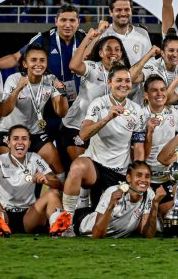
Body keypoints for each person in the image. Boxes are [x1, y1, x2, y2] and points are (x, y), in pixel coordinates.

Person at [0, 4, 86, 168]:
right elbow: (16, 58)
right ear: (56, 21)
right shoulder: (45, 38)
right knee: (39, 154)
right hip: (47, 104)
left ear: (78, 22)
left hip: (78, 106)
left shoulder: (86, 39)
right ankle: (34, 190)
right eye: (63, 20)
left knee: (70, 154)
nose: (67, 25)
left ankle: (68, 190)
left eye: (72, 20)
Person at [60, 65, 147, 234]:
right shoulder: (99, 104)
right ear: (109, 83)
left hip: (120, 172)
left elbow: (138, 147)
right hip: (96, 165)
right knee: (77, 166)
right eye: (119, 80)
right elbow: (83, 135)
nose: (124, 84)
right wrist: (107, 118)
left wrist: (137, 174)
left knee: (113, 222)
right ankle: (66, 221)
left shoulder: (137, 111)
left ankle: (83, 219)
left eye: (127, 81)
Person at [0, 45, 70, 185]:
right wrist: (17, 89)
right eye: (33, 60)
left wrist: (63, 94)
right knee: (7, 167)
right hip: (7, 131)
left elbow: (61, 112)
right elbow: (5, 111)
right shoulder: (14, 79)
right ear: (25, 63)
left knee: (58, 167)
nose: (38, 64)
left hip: (34, 132)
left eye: (42, 60)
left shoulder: (50, 79)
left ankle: (63, 203)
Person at [0, 124, 73, 236]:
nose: (20, 142)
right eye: (15, 138)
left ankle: (58, 226)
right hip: (4, 211)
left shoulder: (35, 158)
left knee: (53, 193)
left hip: (28, 216)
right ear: (8, 143)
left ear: (29, 143)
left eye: (24, 139)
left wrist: (47, 180)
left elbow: (58, 184)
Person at [64, 25, 131, 162]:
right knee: (80, 168)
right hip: (77, 126)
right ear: (100, 53)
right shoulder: (93, 67)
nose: (113, 52)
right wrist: (89, 37)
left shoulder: (123, 75)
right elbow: (74, 66)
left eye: (117, 49)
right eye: (108, 49)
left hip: (101, 131)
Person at [73, 161, 164, 238]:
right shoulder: (112, 191)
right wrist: (110, 206)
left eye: (147, 176)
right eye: (138, 175)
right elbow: (97, 234)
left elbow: (148, 235)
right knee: (61, 221)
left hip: (116, 234)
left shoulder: (149, 193)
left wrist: (155, 204)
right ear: (128, 178)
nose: (143, 180)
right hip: (81, 224)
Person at [101, 0, 152, 101]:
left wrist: (140, 77)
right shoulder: (103, 34)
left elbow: (151, 65)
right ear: (110, 11)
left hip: (136, 100)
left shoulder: (142, 34)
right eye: (118, 10)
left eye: (127, 9)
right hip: (109, 99)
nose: (123, 13)